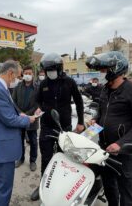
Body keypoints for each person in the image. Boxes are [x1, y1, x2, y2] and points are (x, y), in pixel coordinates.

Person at [86, 51, 132, 206]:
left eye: (103, 70)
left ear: (116, 69)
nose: (101, 74)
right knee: (110, 190)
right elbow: (102, 116)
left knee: (127, 195)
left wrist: (120, 144)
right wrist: (93, 124)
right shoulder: (105, 89)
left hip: (125, 154)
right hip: (106, 152)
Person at [31, 53, 84, 201]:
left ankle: (61, 187)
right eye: (47, 71)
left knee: (64, 159)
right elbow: (37, 101)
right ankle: (43, 185)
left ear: (59, 68)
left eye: (52, 70)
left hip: (64, 127)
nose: (49, 73)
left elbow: (79, 102)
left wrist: (80, 122)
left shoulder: (69, 82)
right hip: (47, 126)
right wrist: (38, 108)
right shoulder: (43, 84)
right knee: (47, 158)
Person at [0, 60, 36, 206]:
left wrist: (21, 115)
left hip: (2, 143)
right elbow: (9, 120)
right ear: (10, 73)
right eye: (17, 76)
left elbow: (7, 112)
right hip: (2, 146)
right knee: (4, 186)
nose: (17, 80)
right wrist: (28, 119)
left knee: (4, 184)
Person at [12, 65, 39, 171]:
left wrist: (27, 114)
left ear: (33, 74)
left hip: (32, 119)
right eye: (26, 73)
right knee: (19, 140)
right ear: (23, 74)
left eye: (30, 73)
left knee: (33, 141)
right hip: (20, 118)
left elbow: (38, 104)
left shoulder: (37, 87)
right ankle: (21, 158)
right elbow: (13, 101)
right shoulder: (18, 87)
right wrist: (20, 113)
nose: (27, 75)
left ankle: (33, 161)